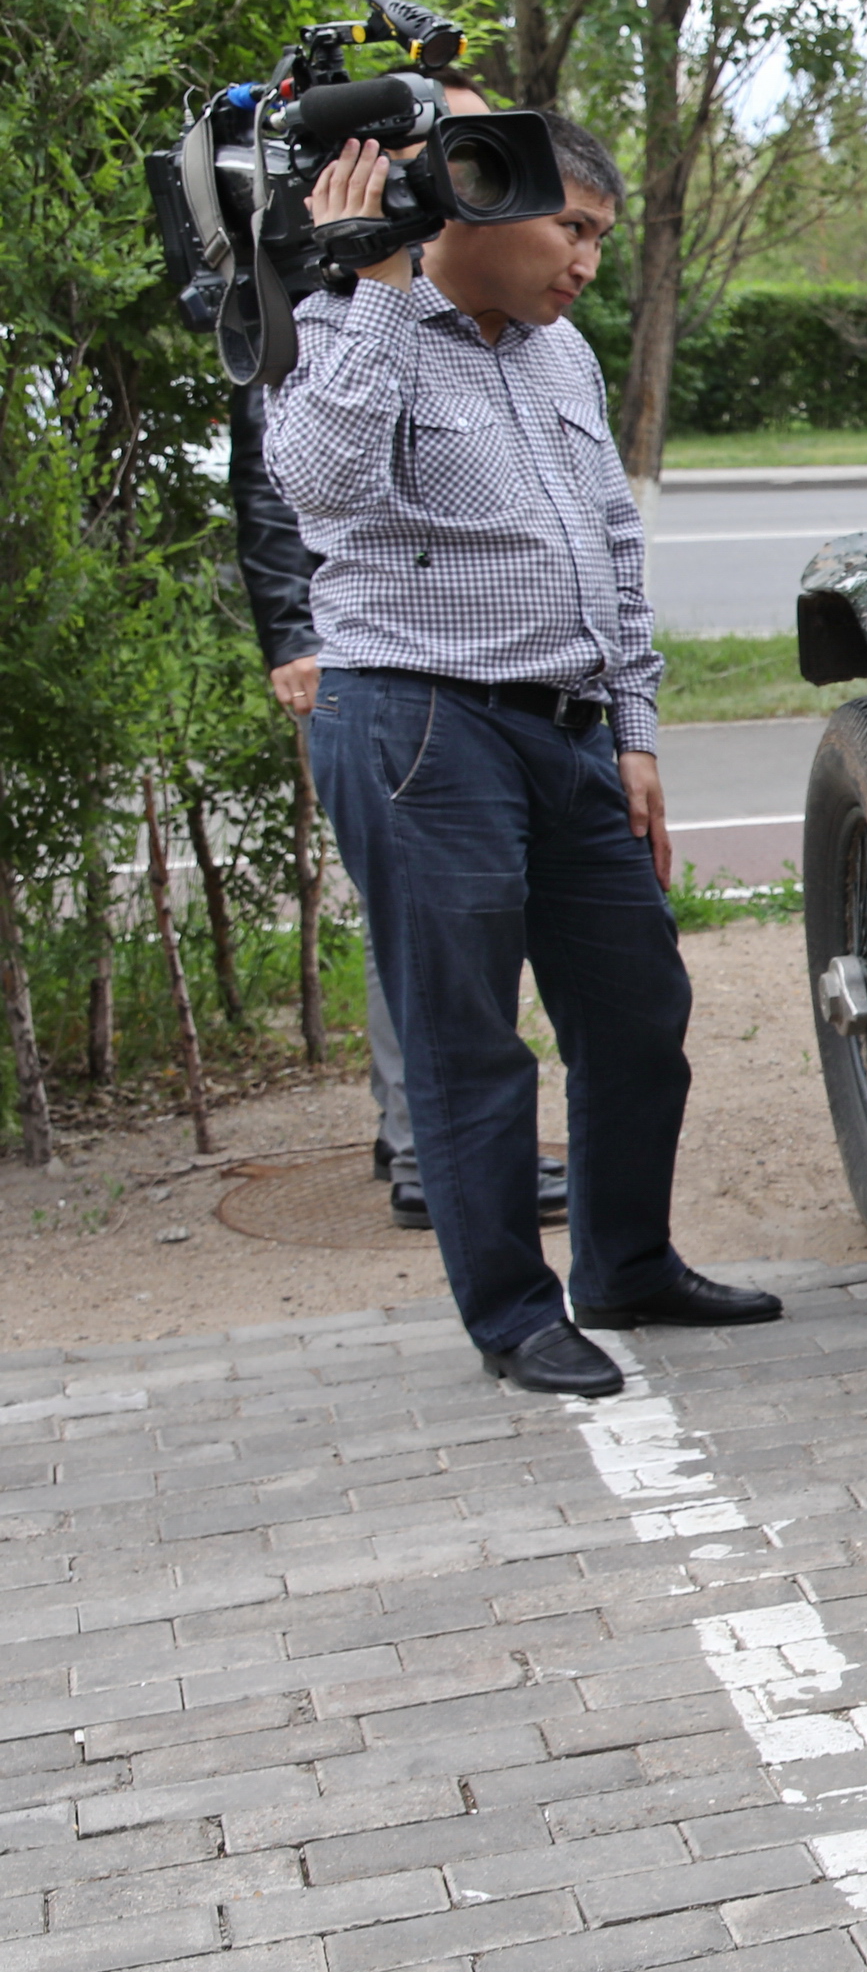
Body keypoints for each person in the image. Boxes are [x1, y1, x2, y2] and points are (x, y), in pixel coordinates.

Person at [270, 113, 780, 1395]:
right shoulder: (342, 322)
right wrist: (375, 280)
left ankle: (626, 1264)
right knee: (467, 1035)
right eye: (575, 230)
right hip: (419, 723)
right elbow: (321, 486)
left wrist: (637, 732)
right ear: (480, 210)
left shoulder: (561, 358)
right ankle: (512, 1314)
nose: (588, 263)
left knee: (637, 1006)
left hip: (567, 728)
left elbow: (611, 542)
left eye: (601, 237)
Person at [235, 71, 569, 1237]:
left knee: (475, 949)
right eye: (446, 139)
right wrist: (295, 634)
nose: (466, 164)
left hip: (508, 695)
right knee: (426, 948)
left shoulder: (511, 329)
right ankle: (427, 1153)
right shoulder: (325, 293)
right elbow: (288, 486)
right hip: (373, 670)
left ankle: (438, 1145)